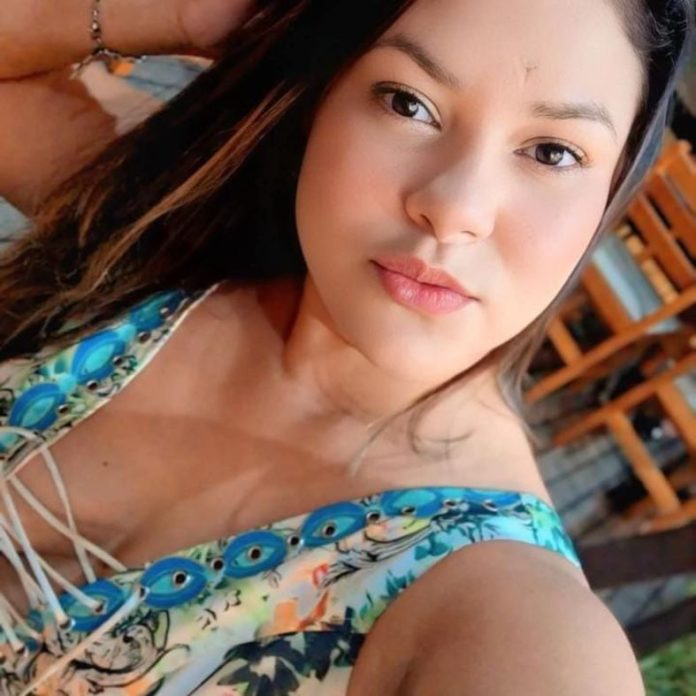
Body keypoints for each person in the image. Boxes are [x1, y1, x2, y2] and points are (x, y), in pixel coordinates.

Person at [0, 0, 693, 693]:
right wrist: (196, 16)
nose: (455, 208)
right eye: (407, 102)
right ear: (325, 94)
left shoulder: (510, 616)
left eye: (552, 153)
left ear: (610, 192)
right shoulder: (172, 231)